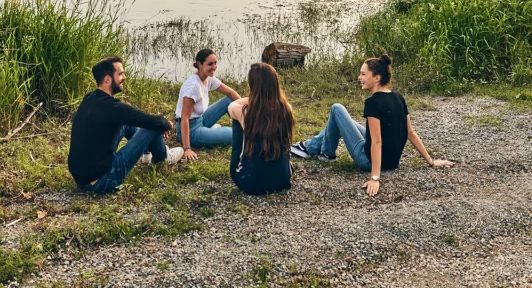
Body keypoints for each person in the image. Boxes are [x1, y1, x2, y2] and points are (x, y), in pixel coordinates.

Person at [290, 53, 454, 196]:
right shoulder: (398, 97)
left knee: (337, 109)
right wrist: (431, 161)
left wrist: (375, 177)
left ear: (376, 78)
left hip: (367, 160)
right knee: (348, 123)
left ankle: (325, 153)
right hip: (392, 162)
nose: (359, 78)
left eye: (363, 74)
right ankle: (309, 147)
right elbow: (410, 132)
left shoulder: (373, 103)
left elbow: (376, 141)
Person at [68, 56, 183, 193]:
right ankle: (163, 157)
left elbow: (134, 118)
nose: (125, 77)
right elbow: (154, 121)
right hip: (103, 180)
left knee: (125, 124)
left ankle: (147, 154)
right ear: (107, 79)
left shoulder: (89, 98)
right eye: (120, 74)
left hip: (82, 179)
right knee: (151, 128)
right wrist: (167, 124)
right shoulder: (113, 108)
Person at [228, 62, 293, 196]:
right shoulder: (287, 109)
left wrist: (255, 99)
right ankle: (278, 167)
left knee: (235, 119)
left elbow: (232, 105)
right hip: (282, 180)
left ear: (252, 85)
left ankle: (242, 164)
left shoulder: (244, 112)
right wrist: (267, 98)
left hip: (251, 183)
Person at [175, 49, 241, 161]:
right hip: (191, 130)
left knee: (230, 100)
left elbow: (230, 93)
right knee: (236, 135)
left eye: (215, 63)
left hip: (201, 119)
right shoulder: (192, 87)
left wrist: (248, 110)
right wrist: (187, 148)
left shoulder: (208, 78)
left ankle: (250, 123)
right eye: (210, 64)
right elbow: (184, 119)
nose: (214, 67)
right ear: (200, 64)